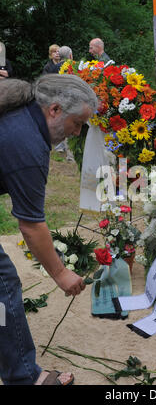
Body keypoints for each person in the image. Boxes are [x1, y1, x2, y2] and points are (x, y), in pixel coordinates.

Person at [0, 74, 98, 385]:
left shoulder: (22, 115)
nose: (76, 132)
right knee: (3, 285)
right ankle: (25, 377)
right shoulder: (27, 143)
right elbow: (31, 225)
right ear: (54, 109)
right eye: (77, 123)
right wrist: (60, 273)